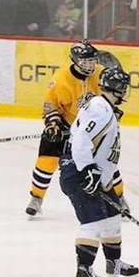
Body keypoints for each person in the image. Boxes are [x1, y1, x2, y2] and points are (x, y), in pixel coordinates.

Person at [59, 66, 139, 277]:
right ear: (117, 88)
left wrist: (101, 176)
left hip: (95, 175)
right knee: (92, 222)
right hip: (80, 173)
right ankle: (83, 272)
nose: (125, 92)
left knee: (113, 217)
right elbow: (82, 139)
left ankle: (114, 263)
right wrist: (88, 170)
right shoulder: (100, 108)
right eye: (123, 88)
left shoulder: (105, 108)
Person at [25, 40, 124, 217]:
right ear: (76, 61)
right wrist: (53, 124)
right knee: (46, 161)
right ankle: (36, 198)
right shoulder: (61, 79)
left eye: (93, 60)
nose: (91, 65)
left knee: (105, 161)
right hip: (65, 125)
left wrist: (113, 112)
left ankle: (119, 197)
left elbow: (108, 98)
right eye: (86, 61)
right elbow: (50, 106)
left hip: (92, 128)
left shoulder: (100, 73)